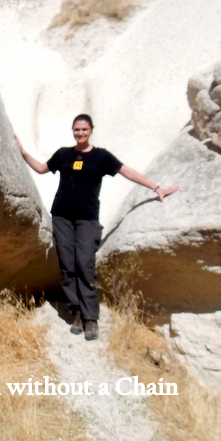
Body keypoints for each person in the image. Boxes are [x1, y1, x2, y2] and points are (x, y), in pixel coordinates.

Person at [15, 114, 178, 341]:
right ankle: (77, 313)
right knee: (67, 266)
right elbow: (42, 168)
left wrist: (156, 187)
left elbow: (126, 171)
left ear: (91, 130)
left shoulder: (101, 157)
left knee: (85, 264)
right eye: (77, 129)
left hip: (87, 220)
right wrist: (23, 152)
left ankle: (91, 317)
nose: (80, 133)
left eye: (84, 129)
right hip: (62, 217)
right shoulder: (64, 154)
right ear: (73, 131)